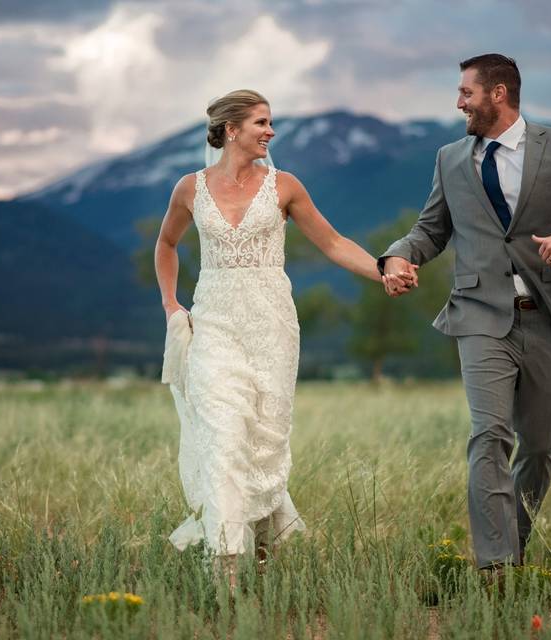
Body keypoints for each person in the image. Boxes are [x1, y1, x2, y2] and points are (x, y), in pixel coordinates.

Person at [380, 54, 551, 571]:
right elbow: (431, 230)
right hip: (478, 312)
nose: (459, 103)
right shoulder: (450, 158)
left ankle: (512, 547)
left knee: (540, 448)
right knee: (490, 434)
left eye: (466, 93)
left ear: (498, 94)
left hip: (548, 313)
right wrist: (398, 256)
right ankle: (495, 566)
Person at [156, 89, 396, 585]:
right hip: (215, 327)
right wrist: (170, 303)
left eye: (271, 124)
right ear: (231, 130)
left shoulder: (284, 186)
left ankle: (263, 553)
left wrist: (382, 270)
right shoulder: (189, 188)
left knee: (262, 446)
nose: (270, 132)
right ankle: (224, 574)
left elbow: (331, 242)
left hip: (272, 330)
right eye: (261, 123)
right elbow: (167, 243)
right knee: (224, 438)